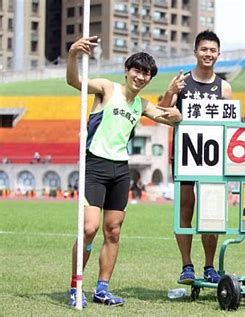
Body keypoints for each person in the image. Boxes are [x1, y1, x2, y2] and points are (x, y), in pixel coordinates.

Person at [66, 36, 182, 308]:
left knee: (113, 232)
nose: (140, 76)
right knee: (89, 228)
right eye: (137, 70)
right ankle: (76, 286)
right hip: (94, 164)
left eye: (146, 74)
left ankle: (102, 289)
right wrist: (73, 54)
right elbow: (74, 82)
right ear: (127, 71)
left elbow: (169, 117)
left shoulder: (141, 106)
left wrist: (174, 112)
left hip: (120, 170)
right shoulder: (107, 89)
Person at [160, 30, 232, 284]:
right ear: (195, 52)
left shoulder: (224, 87)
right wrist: (170, 93)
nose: (208, 54)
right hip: (184, 156)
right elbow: (162, 113)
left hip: (213, 160)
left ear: (218, 54)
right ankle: (186, 265)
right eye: (204, 49)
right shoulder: (181, 82)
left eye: (213, 50)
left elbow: (228, 126)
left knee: (211, 212)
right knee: (186, 210)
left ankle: (210, 266)